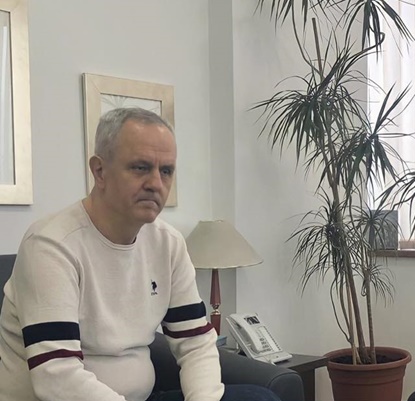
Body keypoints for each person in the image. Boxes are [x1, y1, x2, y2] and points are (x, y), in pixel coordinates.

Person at [0, 108, 280, 401]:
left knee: (260, 398)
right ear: (99, 171)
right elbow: (57, 377)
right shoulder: (50, 245)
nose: (156, 183)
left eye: (166, 171)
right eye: (140, 167)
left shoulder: (168, 243)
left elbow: (196, 343)